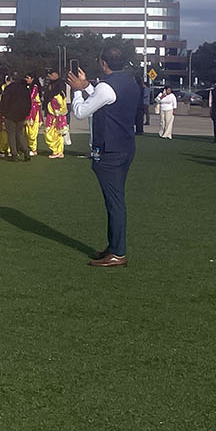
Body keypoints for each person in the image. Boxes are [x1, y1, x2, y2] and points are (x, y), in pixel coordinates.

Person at [71, 47, 143, 267]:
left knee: (115, 201)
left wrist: (76, 91)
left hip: (109, 149)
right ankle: (114, 246)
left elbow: (81, 112)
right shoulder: (130, 83)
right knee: (116, 199)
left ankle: (118, 252)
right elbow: (106, 98)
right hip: (125, 146)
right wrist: (87, 86)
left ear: (103, 63)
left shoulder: (105, 86)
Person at [0, 74, 32, 161]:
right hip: (21, 114)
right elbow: (29, 102)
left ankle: (14, 154)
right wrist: (26, 112)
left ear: (12, 79)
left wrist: (2, 112)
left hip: (10, 114)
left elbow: (5, 101)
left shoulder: (9, 88)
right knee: (20, 133)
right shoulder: (25, 88)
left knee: (11, 134)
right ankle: (26, 150)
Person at [41, 72, 69, 158]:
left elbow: (59, 103)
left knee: (50, 133)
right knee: (57, 133)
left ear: (56, 74)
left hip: (54, 116)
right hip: (55, 114)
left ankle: (56, 151)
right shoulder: (54, 85)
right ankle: (59, 151)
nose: (49, 76)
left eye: (51, 74)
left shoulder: (58, 91)